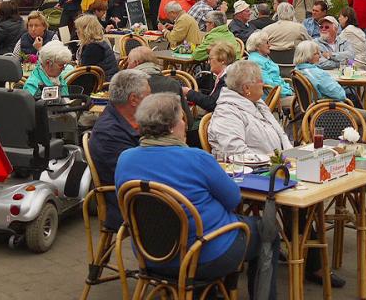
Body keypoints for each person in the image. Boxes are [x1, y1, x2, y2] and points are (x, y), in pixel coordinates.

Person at [116, 93, 276, 300]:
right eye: (182, 119)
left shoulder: (125, 159)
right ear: (172, 126)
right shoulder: (197, 158)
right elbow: (233, 199)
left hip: (150, 255)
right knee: (267, 230)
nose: (184, 124)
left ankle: (209, 292)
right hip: (204, 255)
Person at [89, 70, 151, 230]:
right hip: (127, 204)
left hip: (143, 193)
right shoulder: (109, 133)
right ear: (133, 100)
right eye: (149, 96)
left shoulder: (132, 120)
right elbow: (135, 176)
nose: (152, 100)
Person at [207, 58, 292, 159]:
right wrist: (274, 160)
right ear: (246, 88)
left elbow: (281, 134)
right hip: (253, 171)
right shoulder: (226, 113)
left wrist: (291, 155)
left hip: (278, 165)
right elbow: (236, 152)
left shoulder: (258, 103)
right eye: (260, 80)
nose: (263, 83)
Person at [293, 40, 366, 128]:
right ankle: (354, 139)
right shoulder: (317, 74)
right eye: (317, 53)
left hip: (310, 110)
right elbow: (340, 95)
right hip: (327, 111)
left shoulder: (297, 70)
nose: (320, 55)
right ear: (308, 56)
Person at [184, 42, 236, 112]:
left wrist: (189, 93)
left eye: (210, 59)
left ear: (222, 60)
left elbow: (212, 104)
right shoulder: (228, 74)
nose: (208, 62)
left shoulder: (228, 79)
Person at [245, 32, 293, 107]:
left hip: (279, 92)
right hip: (272, 98)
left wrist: (288, 88)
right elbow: (268, 84)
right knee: (303, 103)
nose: (270, 45)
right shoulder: (256, 61)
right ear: (258, 46)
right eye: (267, 43)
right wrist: (288, 91)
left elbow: (275, 78)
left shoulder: (263, 57)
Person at [75, 13, 119, 78]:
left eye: (78, 29)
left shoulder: (93, 48)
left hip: (103, 84)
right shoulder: (100, 42)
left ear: (85, 31)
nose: (77, 31)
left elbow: (85, 75)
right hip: (109, 80)